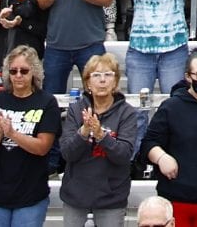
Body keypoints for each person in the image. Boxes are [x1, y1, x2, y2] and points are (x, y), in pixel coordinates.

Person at [139, 48, 197, 227]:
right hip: (176, 197)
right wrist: (161, 157)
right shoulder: (171, 107)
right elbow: (148, 143)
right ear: (188, 77)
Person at [0, 44, 62, 227]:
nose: (18, 75)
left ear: (34, 72)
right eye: (13, 71)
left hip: (31, 192)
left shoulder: (46, 102)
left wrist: (12, 133)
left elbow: (42, 147)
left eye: (24, 70)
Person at [57, 52, 144, 227]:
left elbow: (124, 155)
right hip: (76, 195)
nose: (102, 80)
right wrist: (84, 131)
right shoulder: (76, 110)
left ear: (116, 82)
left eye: (108, 75)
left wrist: (100, 135)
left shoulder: (127, 113)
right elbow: (67, 153)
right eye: (96, 75)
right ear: (88, 82)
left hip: (111, 197)